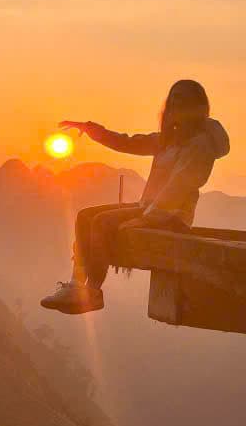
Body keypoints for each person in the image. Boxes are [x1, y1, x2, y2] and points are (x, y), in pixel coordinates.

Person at [41, 79, 230, 315]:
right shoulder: (169, 139)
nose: (174, 106)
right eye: (172, 101)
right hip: (149, 207)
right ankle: (76, 286)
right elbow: (128, 142)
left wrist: (147, 219)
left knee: (101, 222)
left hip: (173, 216)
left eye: (182, 101)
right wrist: (92, 129)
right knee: (85, 216)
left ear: (196, 107)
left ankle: (92, 293)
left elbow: (178, 186)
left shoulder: (199, 145)